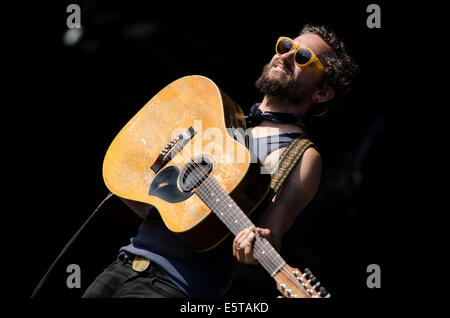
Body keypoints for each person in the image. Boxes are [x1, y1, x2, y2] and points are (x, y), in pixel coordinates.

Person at [82, 24, 358, 298]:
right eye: (286, 46)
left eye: (303, 58)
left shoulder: (300, 155)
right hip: (123, 263)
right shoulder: (217, 114)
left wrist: (256, 247)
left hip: (175, 288)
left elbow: (272, 234)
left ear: (322, 93)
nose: (285, 56)